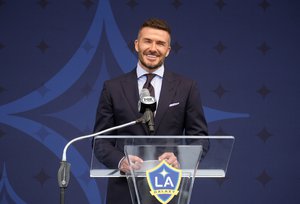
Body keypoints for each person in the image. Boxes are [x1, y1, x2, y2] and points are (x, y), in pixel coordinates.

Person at [93, 18, 209, 204]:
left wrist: (180, 158)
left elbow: (200, 138)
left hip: (168, 190)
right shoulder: (113, 88)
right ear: (137, 45)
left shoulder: (187, 87)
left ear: (168, 51)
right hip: (123, 192)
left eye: (160, 43)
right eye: (148, 41)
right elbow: (100, 140)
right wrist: (121, 160)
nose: (153, 48)